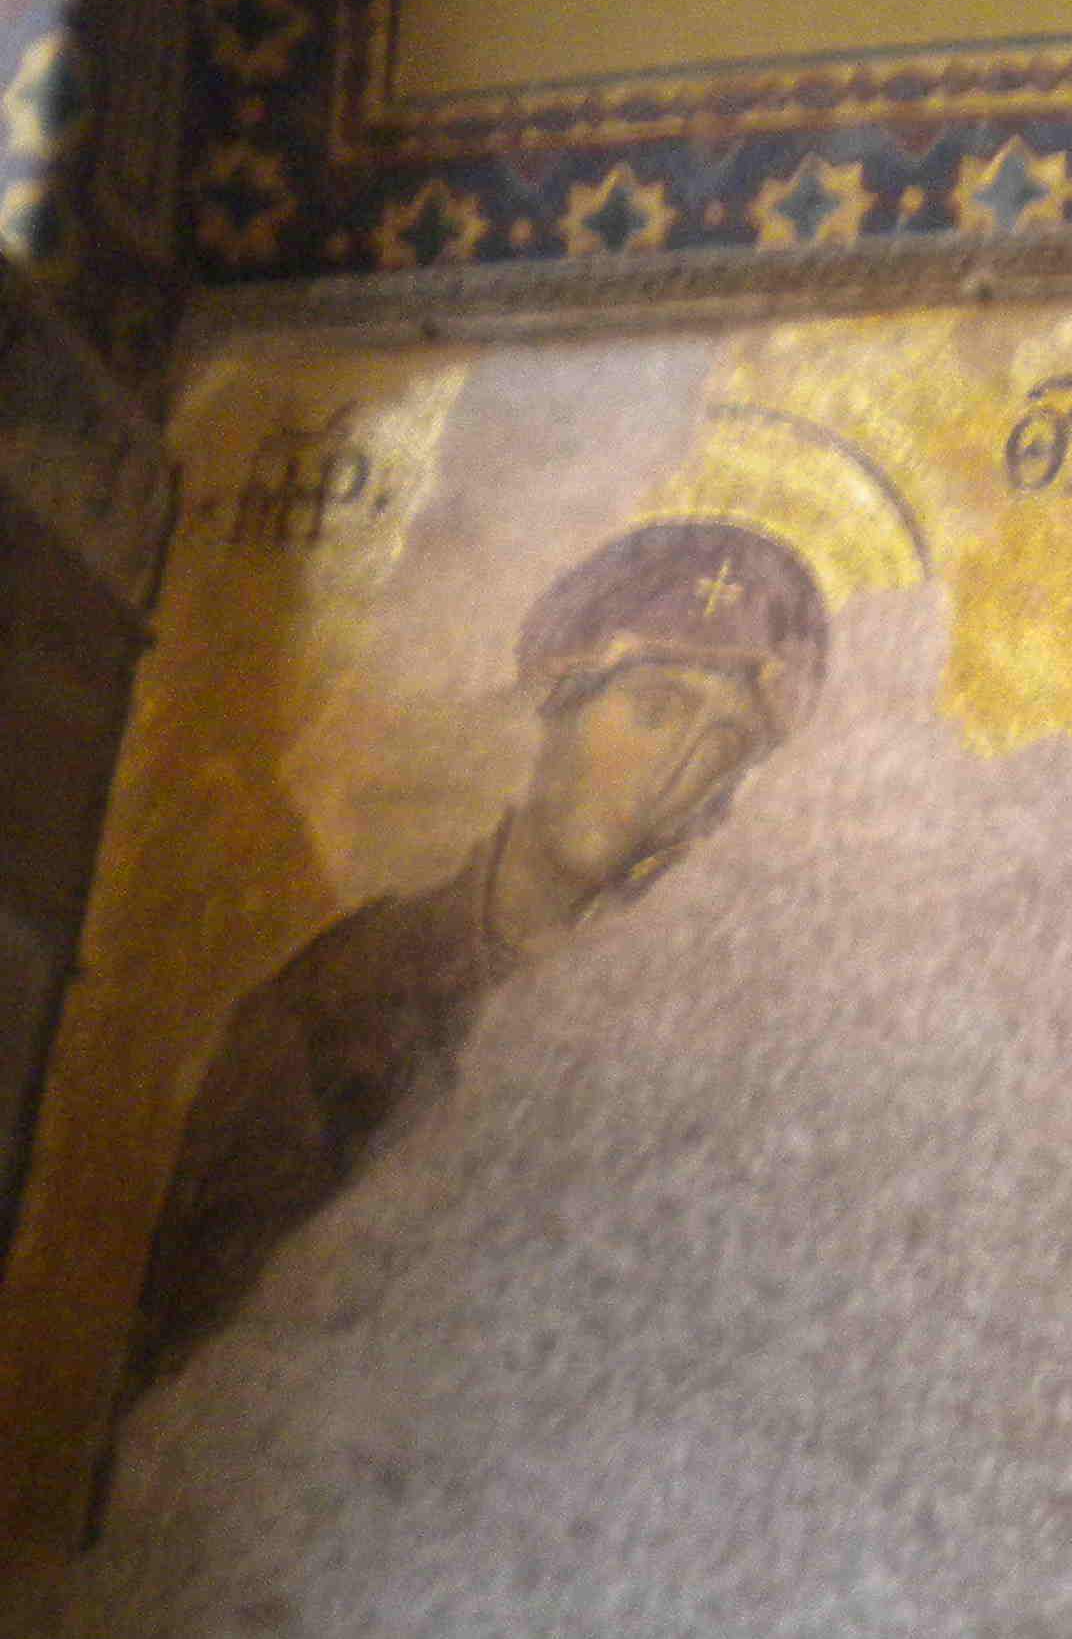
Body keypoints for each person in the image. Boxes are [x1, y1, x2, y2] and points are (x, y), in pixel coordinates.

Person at [122, 520, 827, 1408]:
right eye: (653, 712)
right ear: (563, 696)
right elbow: (186, 1333)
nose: (672, 773)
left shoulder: (682, 1047)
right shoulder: (348, 986)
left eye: (721, 750)